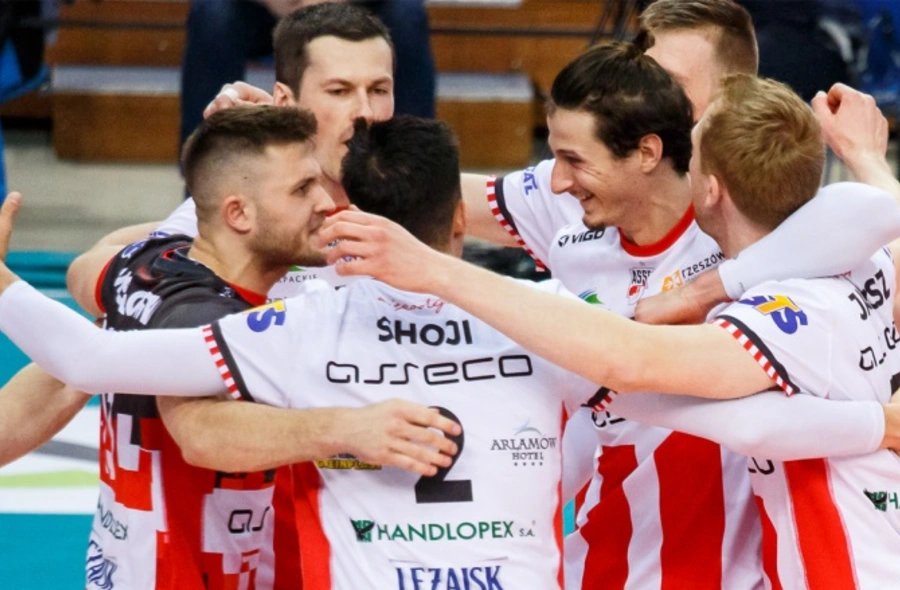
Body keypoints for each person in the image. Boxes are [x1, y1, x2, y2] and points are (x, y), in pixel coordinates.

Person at [2, 114, 900, 589]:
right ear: (463, 218)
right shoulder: (553, 323)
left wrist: (5, 281)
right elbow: (727, 418)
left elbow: (87, 361)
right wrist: (870, 423)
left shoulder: (299, 323)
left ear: (350, 212)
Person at [311, 74, 900, 589]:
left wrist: (436, 272)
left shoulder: (795, 307)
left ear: (710, 188)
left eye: (692, 152)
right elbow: (873, 211)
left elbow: (651, 370)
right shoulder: (867, 259)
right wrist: (866, 157)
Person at [8, 106, 459, 590]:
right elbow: (201, 434)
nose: (326, 202)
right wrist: (350, 429)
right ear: (238, 214)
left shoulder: (148, 260)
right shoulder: (216, 324)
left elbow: (86, 270)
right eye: (301, 189)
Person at [180, 0, 435, 149]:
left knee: (407, 14)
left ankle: (413, 162)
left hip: (352, 4)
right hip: (269, 8)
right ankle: (205, 163)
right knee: (212, 14)